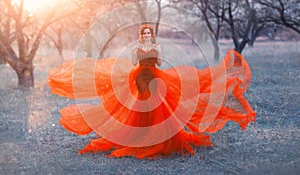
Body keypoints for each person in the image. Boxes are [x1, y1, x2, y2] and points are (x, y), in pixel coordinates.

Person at [48, 24, 256, 159]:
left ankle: (161, 138)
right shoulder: (135, 49)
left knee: (160, 107)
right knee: (141, 108)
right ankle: (141, 137)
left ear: (152, 35)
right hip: (139, 78)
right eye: (145, 33)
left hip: (155, 77)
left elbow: (157, 62)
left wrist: (153, 53)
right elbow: (133, 63)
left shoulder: (156, 48)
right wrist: (140, 56)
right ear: (141, 35)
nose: (147, 35)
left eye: (149, 33)